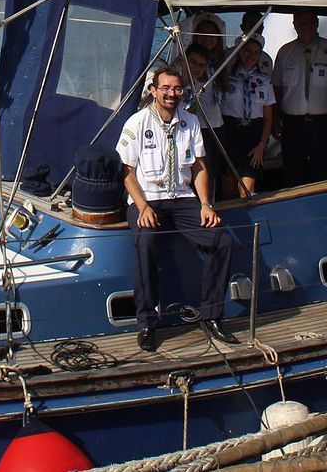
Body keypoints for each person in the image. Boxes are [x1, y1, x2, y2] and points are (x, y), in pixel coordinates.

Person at [118, 66, 238, 351]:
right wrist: (143, 206)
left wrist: (206, 204)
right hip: (147, 198)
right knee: (145, 243)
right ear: (153, 91)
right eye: (166, 89)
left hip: (182, 198)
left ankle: (212, 316)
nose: (172, 94)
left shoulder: (191, 122)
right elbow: (127, 172)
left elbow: (198, 166)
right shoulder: (136, 123)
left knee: (221, 241)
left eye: (177, 89)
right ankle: (147, 322)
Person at [272, 12, 327, 186]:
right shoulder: (285, 51)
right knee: (292, 172)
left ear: (317, 23)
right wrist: (275, 120)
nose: (305, 27)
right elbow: (276, 88)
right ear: (294, 24)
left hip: (323, 123)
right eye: (301, 23)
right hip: (292, 123)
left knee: (321, 172)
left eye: (310, 23)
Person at [220, 36, 275, 198]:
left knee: (247, 190)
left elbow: (268, 119)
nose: (251, 56)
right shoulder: (225, 78)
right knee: (228, 188)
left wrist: (262, 146)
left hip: (253, 136)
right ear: (239, 52)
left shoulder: (265, 81)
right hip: (230, 133)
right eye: (247, 51)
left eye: (256, 52)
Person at [181, 43, 225, 200]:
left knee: (207, 171)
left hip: (200, 133)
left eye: (201, 65)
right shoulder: (171, 85)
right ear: (183, 60)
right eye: (193, 62)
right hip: (175, 138)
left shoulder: (203, 85)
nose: (197, 68)